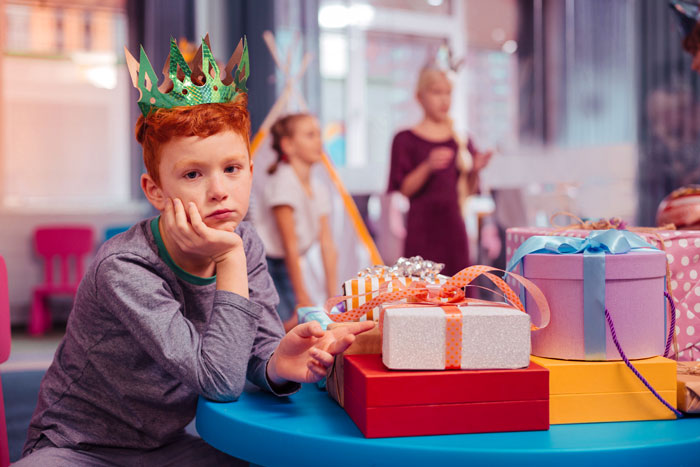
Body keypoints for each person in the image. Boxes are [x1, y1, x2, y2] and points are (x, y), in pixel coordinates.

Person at [16, 38, 372, 466]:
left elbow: (253, 349)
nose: (219, 190)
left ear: (250, 171)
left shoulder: (247, 242)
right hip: (78, 449)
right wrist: (230, 258)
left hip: (167, 447)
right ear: (156, 191)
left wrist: (278, 362)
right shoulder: (124, 266)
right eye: (192, 174)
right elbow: (218, 380)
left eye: (232, 169)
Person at [387, 67, 492, 276]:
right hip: (421, 232)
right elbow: (404, 190)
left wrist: (474, 171)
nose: (444, 100)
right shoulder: (405, 139)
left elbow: (467, 192)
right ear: (419, 97)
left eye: (448, 93)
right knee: (420, 295)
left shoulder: (461, 140)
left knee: (459, 293)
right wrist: (427, 166)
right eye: (436, 92)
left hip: (455, 232)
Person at [254, 114, 337, 332]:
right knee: (285, 324)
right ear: (288, 145)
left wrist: (334, 299)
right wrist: (302, 298)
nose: (319, 141)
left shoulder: (318, 188)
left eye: (319, 134)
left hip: (284, 263)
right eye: (310, 135)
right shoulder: (283, 182)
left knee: (300, 319)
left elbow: (327, 246)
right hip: (265, 263)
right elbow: (289, 245)